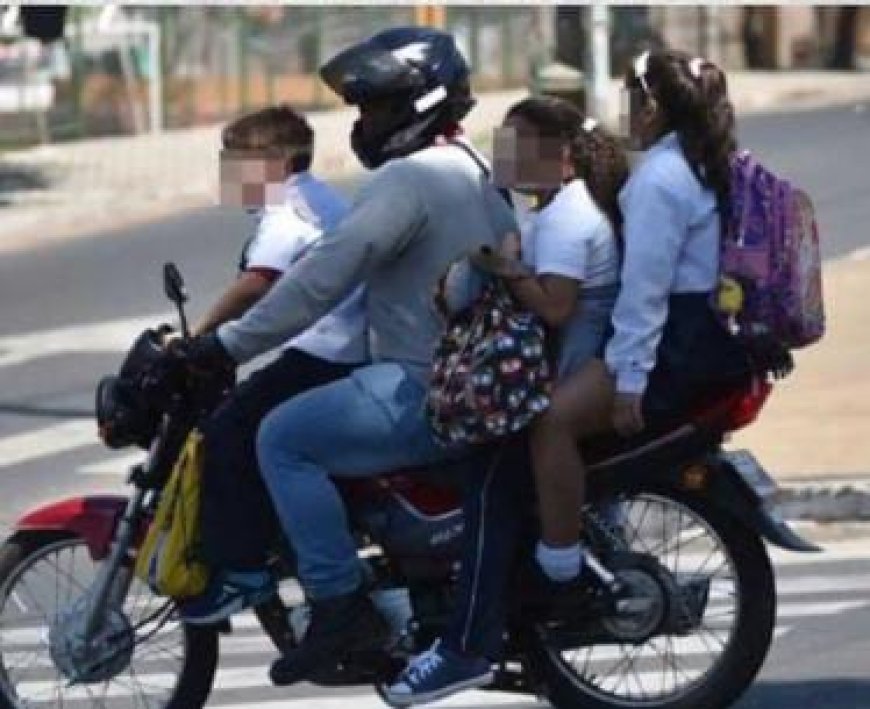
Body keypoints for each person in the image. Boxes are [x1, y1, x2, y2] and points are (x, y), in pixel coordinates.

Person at [176, 27, 518, 686]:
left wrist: (229, 344)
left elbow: (323, 276)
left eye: (377, 108)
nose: (364, 123)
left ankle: (339, 604)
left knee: (281, 437)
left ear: (419, 105)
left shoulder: (410, 179)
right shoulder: (468, 163)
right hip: (466, 375)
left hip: (424, 384)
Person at [383, 96, 630, 706]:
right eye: (504, 142)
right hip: (552, 371)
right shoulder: (550, 211)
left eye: (520, 145)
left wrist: (506, 267)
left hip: (566, 374)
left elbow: (556, 308)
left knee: (488, 486)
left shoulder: (570, 217)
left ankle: (466, 648)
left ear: (564, 157)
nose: (506, 155)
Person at [178, 104, 369, 624]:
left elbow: (255, 285)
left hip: (328, 352)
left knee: (229, 432)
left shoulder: (289, 211)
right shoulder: (320, 199)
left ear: (279, 162)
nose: (228, 173)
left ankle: (244, 568)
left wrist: (195, 340)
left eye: (238, 160)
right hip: (342, 348)